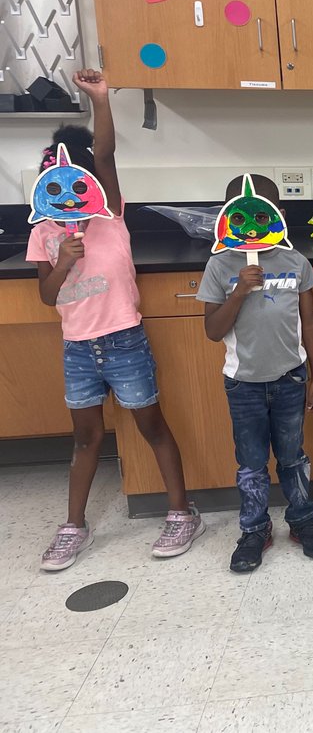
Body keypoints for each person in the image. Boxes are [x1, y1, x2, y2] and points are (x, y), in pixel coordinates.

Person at [27, 69, 203, 571]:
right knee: (86, 438)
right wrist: (61, 260)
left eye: (75, 181)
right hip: (78, 347)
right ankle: (73, 526)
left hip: (123, 338)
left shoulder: (109, 215)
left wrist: (100, 100)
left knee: (151, 424)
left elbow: (104, 153)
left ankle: (179, 511)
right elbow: (46, 295)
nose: (66, 194)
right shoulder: (44, 233)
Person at [200, 175, 313, 571]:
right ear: (227, 217)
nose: (253, 224)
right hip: (243, 384)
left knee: (293, 457)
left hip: (290, 380)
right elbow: (212, 330)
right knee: (252, 462)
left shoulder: (294, 262)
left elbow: (310, 323)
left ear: (277, 215)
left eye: (263, 213)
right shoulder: (219, 265)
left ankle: (302, 520)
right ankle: (254, 529)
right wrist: (239, 290)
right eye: (242, 216)